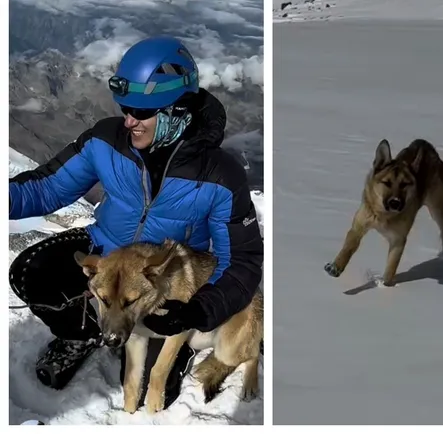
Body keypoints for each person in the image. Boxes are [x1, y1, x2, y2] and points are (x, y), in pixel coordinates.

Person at [8, 36, 263, 410]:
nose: (129, 120)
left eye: (141, 112)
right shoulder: (105, 140)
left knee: (164, 329)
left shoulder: (219, 176)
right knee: (30, 271)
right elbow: (46, 188)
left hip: (163, 277)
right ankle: (84, 335)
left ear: (177, 110)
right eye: (126, 108)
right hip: (105, 250)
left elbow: (240, 262)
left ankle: (167, 349)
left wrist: (195, 312)